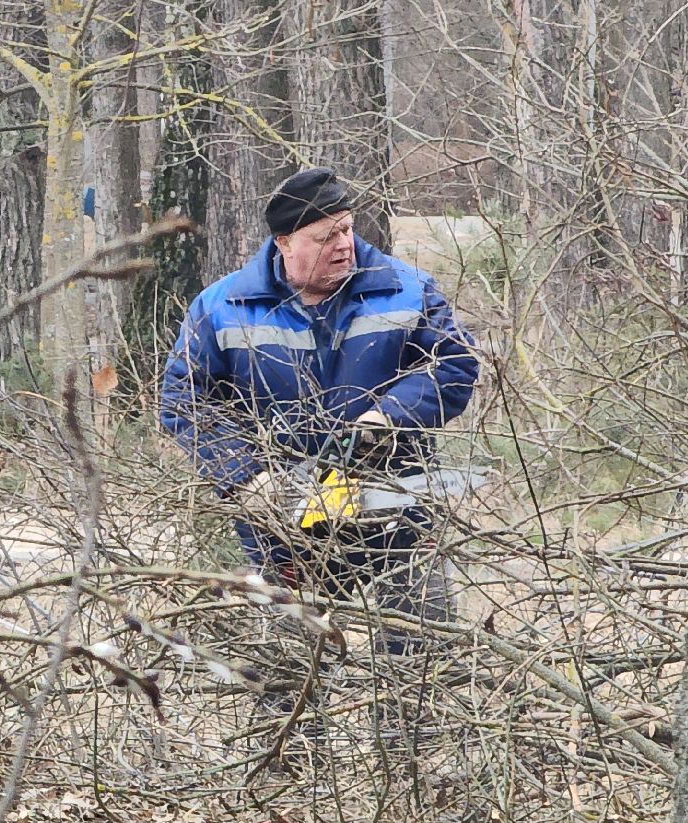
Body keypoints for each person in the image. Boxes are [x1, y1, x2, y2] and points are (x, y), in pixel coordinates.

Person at [157, 167, 481, 726]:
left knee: (422, 658)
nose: (343, 245)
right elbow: (185, 399)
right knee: (288, 668)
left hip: (395, 509)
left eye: (347, 229)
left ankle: (421, 774)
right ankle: (287, 773)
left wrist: (390, 415)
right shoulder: (222, 306)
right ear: (283, 243)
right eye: (323, 236)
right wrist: (245, 475)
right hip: (284, 520)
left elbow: (454, 365)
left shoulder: (407, 288)